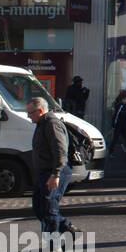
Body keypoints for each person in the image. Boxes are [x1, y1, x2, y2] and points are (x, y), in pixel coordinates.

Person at [27, 98, 78, 240]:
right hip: (44, 172)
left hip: (54, 172)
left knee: (49, 209)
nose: (28, 116)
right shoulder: (42, 123)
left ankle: (52, 245)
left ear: (40, 111)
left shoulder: (51, 124)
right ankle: (67, 228)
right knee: (39, 208)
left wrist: (55, 174)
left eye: (30, 113)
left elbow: (60, 151)